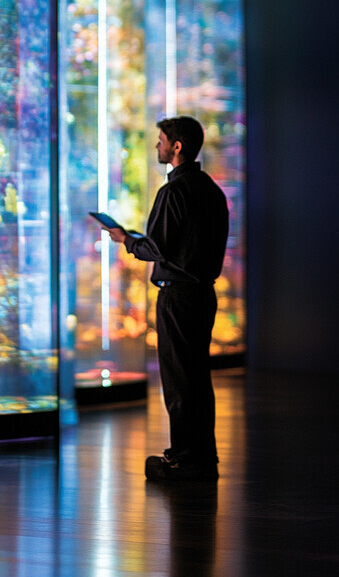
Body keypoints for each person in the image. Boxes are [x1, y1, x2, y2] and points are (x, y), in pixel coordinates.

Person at [107, 116, 229, 481]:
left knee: (179, 380)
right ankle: (202, 456)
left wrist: (126, 240)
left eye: (161, 140)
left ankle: (184, 459)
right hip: (203, 294)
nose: (157, 146)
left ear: (177, 147)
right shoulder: (210, 189)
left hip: (177, 297)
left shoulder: (173, 191)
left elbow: (157, 247)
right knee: (196, 378)